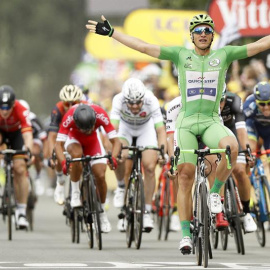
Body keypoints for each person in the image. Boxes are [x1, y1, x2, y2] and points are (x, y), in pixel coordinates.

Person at [86, 13, 270, 253]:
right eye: (198, 30)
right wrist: (112, 33)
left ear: (212, 35)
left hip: (211, 120)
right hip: (186, 123)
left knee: (232, 147)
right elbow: (143, 47)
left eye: (207, 30)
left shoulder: (223, 55)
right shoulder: (180, 55)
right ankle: (185, 233)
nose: (203, 34)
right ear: (192, 36)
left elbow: (258, 45)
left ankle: (215, 194)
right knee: (185, 176)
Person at [110, 77, 167, 232]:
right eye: (131, 103)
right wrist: (113, 152)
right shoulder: (118, 100)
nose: (135, 106)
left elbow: (161, 130)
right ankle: (121, 189)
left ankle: (147, 211)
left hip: (145, 130)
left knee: (149, 167)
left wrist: (162, 151)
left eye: (138, 103)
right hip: (125, 129)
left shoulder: (151, 100)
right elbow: (112, 130)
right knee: (121, 156)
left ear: (143, 98)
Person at [54, 103, 121, 233]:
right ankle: (75, 192)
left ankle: (102, 214)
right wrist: (63, 163)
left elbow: (116, 141)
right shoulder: (69, 117)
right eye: (84, 129)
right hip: (74, 139)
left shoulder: (100, 114)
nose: (87, 131)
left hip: (93, 141)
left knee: (100, 175)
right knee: (77, 156)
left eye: (90, 128)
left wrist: (113, 157)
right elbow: (58, 145)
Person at [220, 92, 257, 232]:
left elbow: (241, 129)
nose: (220, 105)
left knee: (240, 171)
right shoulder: (206, 102)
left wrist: (247, 151)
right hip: (212, 133)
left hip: (232, 131)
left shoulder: (233, 101)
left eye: (222, 100)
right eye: (217, 100)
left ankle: (247, 213)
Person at [0, 85, 33, 229]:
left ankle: (21, 212)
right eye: (1, 107)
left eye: (8, 107)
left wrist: (29, 151)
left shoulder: (21, 109)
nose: (4, 111)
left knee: (20, 169)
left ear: (13, 104)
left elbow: (27, 134)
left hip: (16, 135)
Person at [47, 84, 84, 205]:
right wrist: (52, 154)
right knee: (58, 153)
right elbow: (52, 136)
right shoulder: (57, 110)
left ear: (79, 101)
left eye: (73, 103)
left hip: (79, 134)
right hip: (63, 134)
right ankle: (60, 182)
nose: (70, 107)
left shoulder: (85, 107)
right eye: (67, 104)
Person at [19, 99, 47, 196]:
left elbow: (43, 137)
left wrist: (45, 153)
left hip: (34, 138)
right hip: (20, 139)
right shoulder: (14, 117)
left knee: (34, 151)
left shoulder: (33, 119)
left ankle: (38, 176)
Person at [243, 82, 270, 172]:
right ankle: (247, 176)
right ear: (256, 101)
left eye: (269, 103)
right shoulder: (249, 106)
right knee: (251, 150)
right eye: (262, 104)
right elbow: (240, 124)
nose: (266, 107)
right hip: (253, 126)